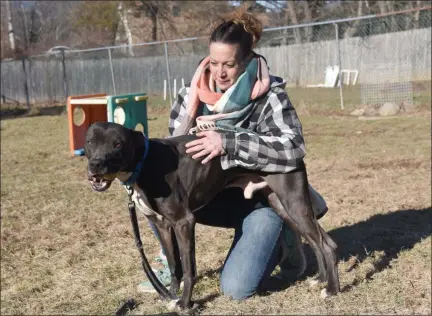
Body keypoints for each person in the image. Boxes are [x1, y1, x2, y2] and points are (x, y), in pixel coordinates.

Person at [137, 12, 328, 300]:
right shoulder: (190, 96)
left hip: (261, 200)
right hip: (209, 196)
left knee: (237, 289)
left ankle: (286, 235)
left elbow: (293, 147)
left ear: (248, 61)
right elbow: (174, 163)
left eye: (229, 64)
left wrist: (230, 141)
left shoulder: (268, 95)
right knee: (156, 188)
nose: (219, 73)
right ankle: (172, 262)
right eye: (214, 63)